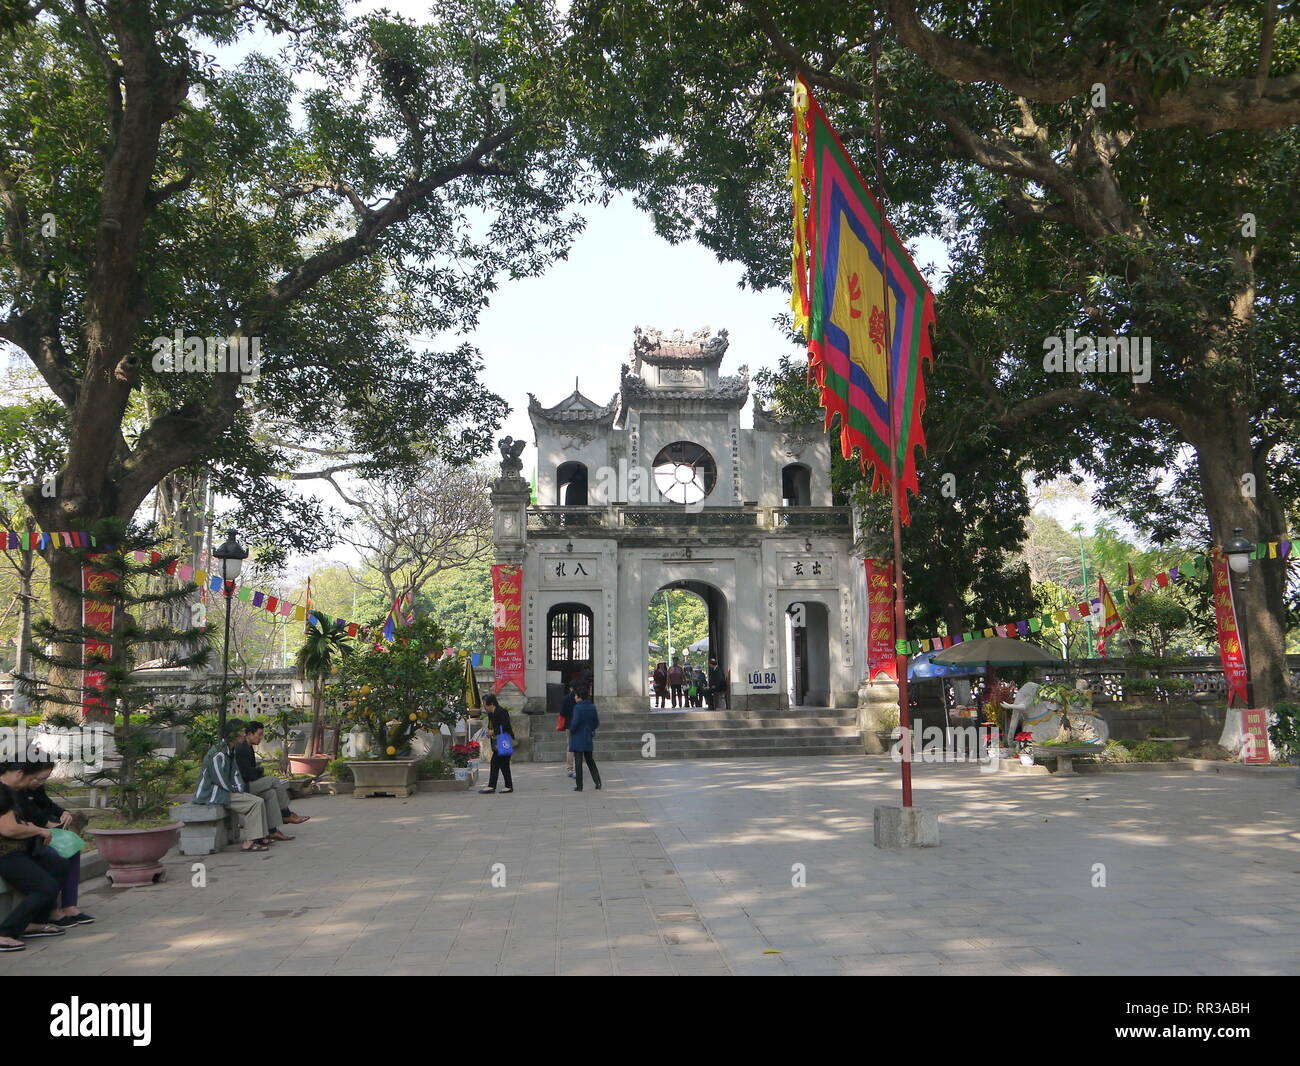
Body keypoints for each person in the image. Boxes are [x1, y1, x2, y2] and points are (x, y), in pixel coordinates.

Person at [13, 758, 94, 928]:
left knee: (72, 849)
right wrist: (46, 824)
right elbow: (25, 815)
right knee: (55, 858)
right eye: (38, 778)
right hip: (23, 841)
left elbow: (47, 804)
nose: (39, 783)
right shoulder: (13, 789)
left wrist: (63, 812)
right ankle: (52, 911)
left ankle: (69, 905)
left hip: (39, 834)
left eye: (44, 779)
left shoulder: (35, 787)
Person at [0, 762, 69, 951]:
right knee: (45, 887)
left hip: (21, 848)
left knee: (58, 865)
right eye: (32, 779)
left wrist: (30, 827)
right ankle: (6, 932)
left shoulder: (12, 791)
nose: (32, 784)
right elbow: (8, 828)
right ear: (18, 773)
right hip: (6, 853)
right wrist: (38, 830)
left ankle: (33, 923)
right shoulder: (2, 792)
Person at [193, 719, 273, 852]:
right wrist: (234, 790)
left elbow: (235, 774)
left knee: (258, 800)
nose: (244, 734)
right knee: (255, 802)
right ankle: (250, 841)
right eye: (242, 732)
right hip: (212, 794)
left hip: (225, 791)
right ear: (233, 734)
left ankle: (260, 837)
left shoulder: (231, 750)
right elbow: (219, 779)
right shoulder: (219, 753)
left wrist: (239, 788)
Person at [235, 721, 308, 843]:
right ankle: (286, 814)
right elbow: (247, 774)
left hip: (249, 783)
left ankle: (272, 831)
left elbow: (252, 772)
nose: (260, 738)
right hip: (243, 787)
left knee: (270, 793)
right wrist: (259, 771)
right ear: (249, 734)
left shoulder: (248, 747)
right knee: (274, 780)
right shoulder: (242, 749)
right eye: (259, 735)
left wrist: (258, 771)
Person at [567, 683, 602, 792]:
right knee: (590, 760)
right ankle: (598, 782)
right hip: (587, 736)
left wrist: (571, 730)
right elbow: (596, 722)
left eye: (576, 695)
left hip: (578, 736)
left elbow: (575, 723)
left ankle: (579, 785)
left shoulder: (577, 708)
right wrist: (590, 728)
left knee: (578, 761)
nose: (574, 697)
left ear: (579, 696)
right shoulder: (592, 707)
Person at [479, 694, 515, 794]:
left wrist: (493, 731)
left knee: (496, 763)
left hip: (504, 742)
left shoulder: (502, 712)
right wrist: (489, 732)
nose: (484, 707)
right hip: (496, 743)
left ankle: (492, 786)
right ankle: (508, 786)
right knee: (503, 765)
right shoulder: (491, 714)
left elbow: (505, 726)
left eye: (485, 705)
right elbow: (491, 726)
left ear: (491, 704)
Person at [558, 682, 577, 779]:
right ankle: (576, 769)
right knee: (578, 747)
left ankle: (570, 768)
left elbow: (562, 712)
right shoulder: (580, 698)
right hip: (579, 726)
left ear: (570, 688)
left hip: (569, 725)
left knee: (570, 746)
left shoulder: (565, 699)